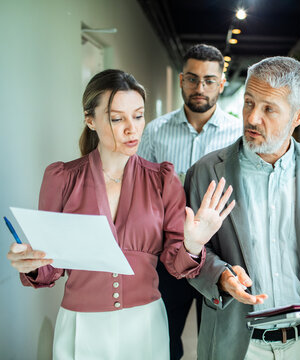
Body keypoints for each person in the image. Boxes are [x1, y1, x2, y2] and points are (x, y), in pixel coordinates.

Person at [6, 69, 234, 360]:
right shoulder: (62, 178)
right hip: (81, 325)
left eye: (138, 116)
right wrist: (30, 263)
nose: (132, 129)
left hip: (145, 324)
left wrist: (194, 243)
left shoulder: (163, 180)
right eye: (117, 118)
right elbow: (51, 267)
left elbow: (177, 267)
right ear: (90, 120)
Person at [184, 56, 300, 360]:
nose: (252, 118)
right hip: (237, 344)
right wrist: (222, 276)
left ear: (299, 116)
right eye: (249, 103)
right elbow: (189, 254)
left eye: (268, 109)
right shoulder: (207, 172)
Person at [138, 44, 242, 360]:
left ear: (221, 84)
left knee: (216, 343)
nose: (201, 88)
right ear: (182, 80)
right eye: (193, 79)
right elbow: (141, 192)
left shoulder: (238, 135)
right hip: (169, 254)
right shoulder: (155, 132)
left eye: (210, 80)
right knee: (164, 339)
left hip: (220, 254)